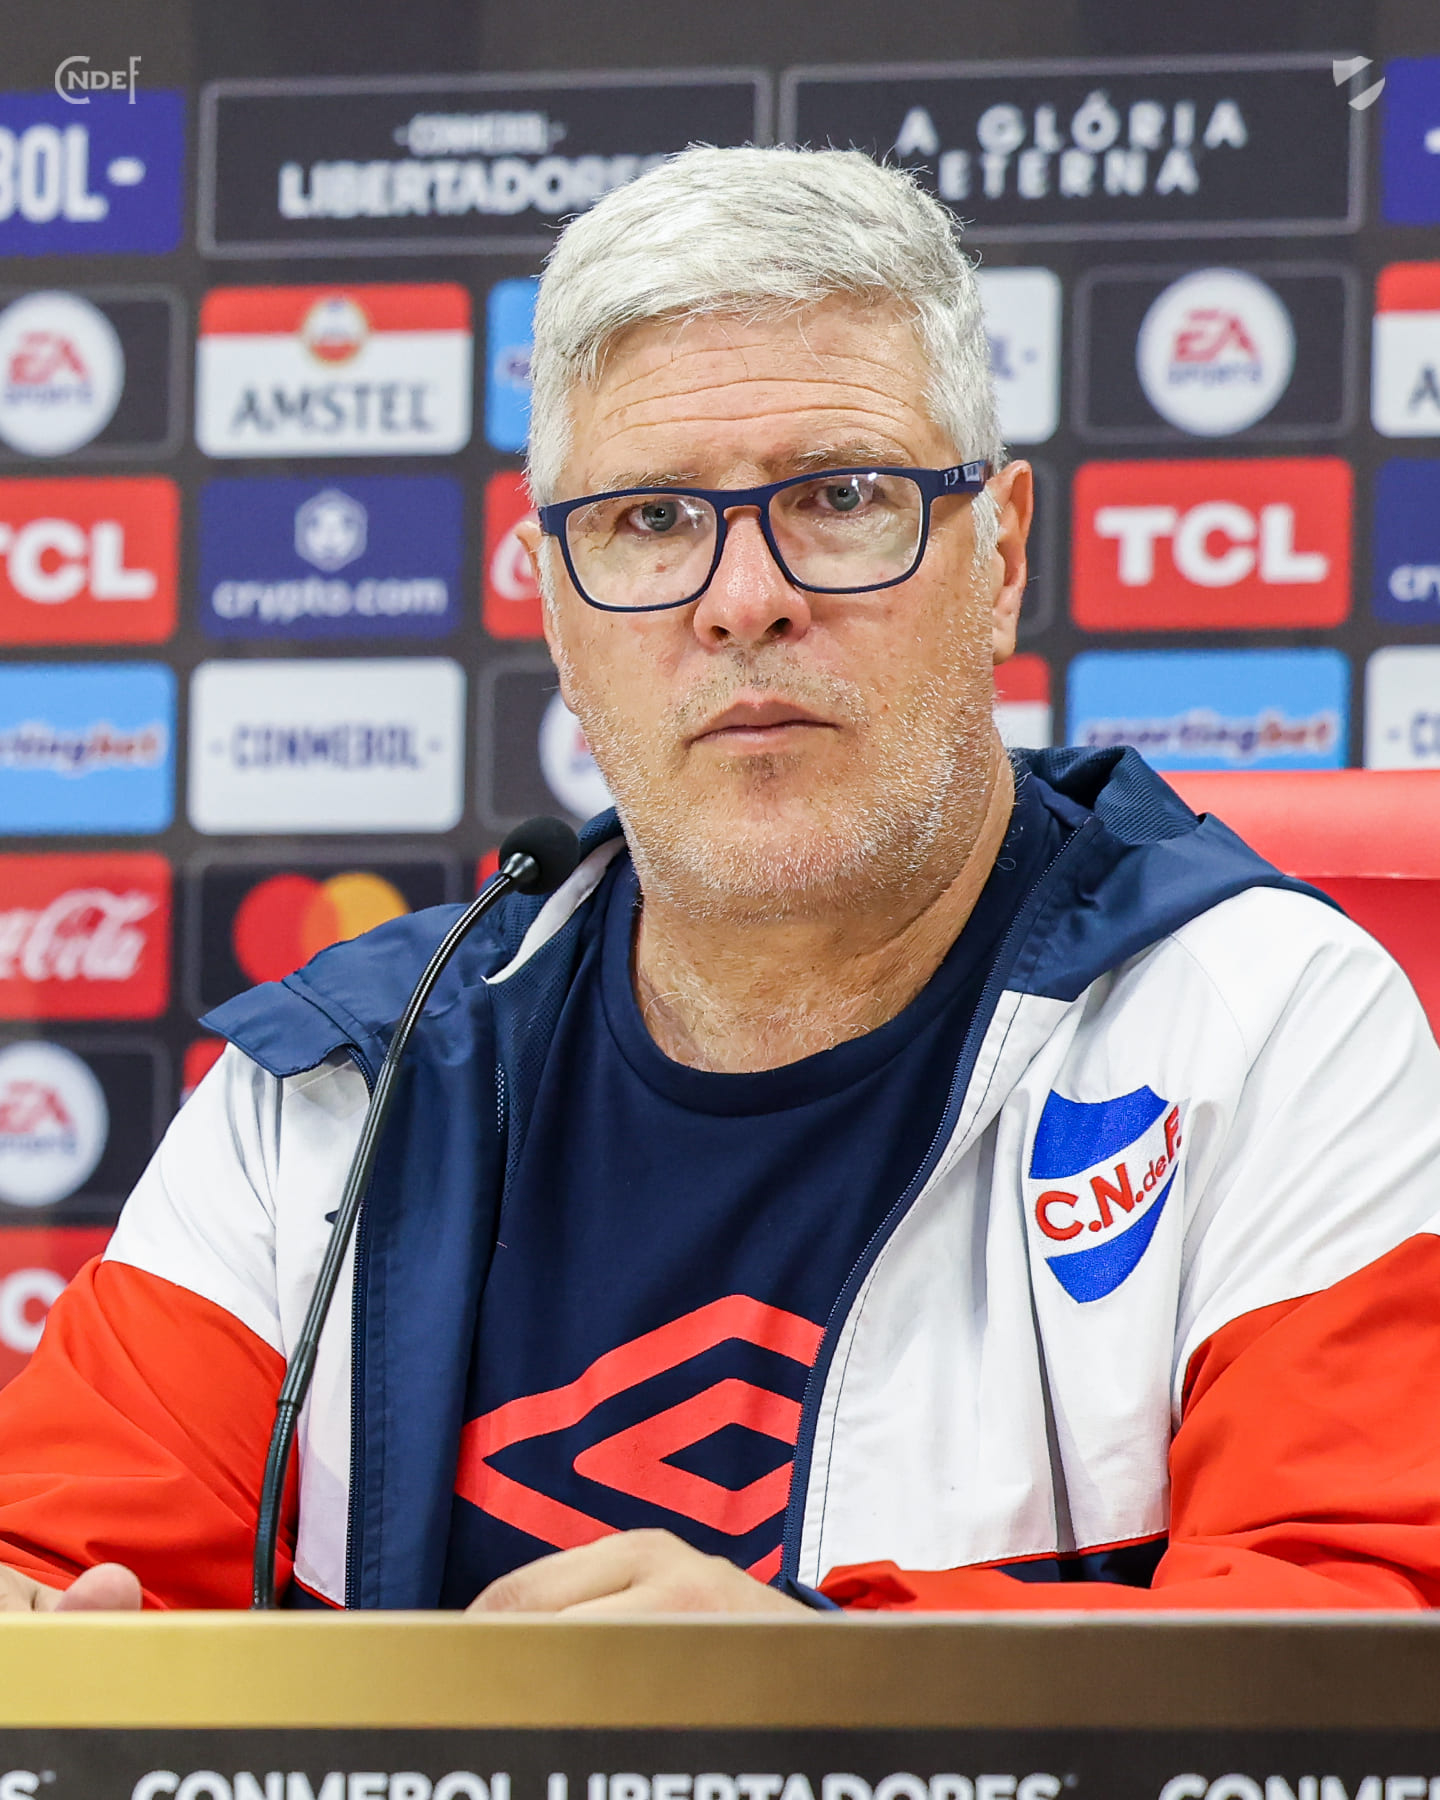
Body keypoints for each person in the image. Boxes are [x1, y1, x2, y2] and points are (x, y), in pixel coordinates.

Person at [4, 144, 1440, 1618]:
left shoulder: (1263, 1027)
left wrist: (801, 1697)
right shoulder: (344, 1088)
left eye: (842, 496)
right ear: (553, 607)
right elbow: (56, 1566)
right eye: (651, 520)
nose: (746, 602)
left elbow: (1357, 1640)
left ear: (1002, 556)